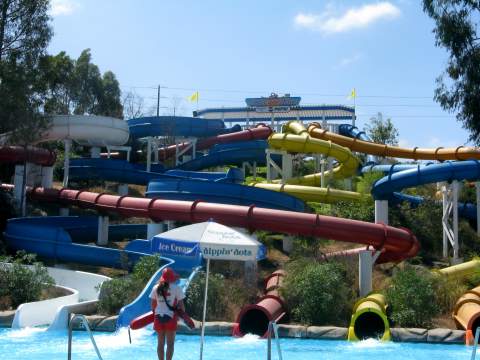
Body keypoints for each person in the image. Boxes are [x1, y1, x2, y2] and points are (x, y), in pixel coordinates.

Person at [150, 267, 185, 360]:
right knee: (170, 344)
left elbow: (153, 305)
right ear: (172, 278)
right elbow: (181, 306)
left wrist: (155, 312)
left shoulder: (155, 288)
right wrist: (182, 317)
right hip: (171, 318)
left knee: (160, 344)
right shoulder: (177, 288)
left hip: (158, 318)